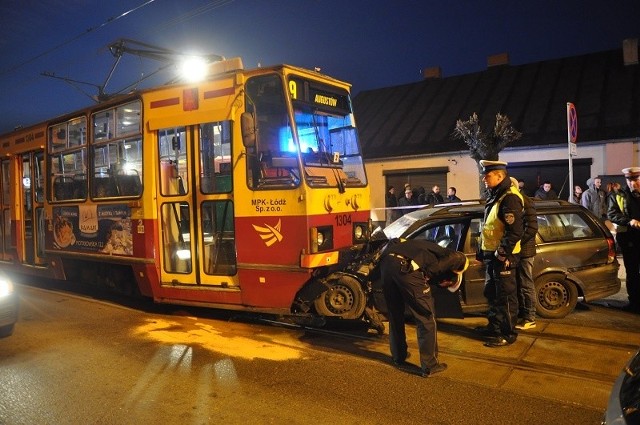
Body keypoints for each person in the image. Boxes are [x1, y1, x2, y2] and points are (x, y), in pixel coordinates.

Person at [379, 238, 469, 377]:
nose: (443, 285)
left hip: (387, 263)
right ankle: (430, 365)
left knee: (395, 313)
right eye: (447, 285)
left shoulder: (429, 248)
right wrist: (428, 274)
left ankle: (398, 356)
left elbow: (394, 242)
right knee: (426, 317)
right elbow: (458, 257)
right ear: (450, 277)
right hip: (406, 267)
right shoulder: (454, 259)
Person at [477, 160, 524, 347]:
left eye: (487, 176)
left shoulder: (509, 198)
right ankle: (494, 327)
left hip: (503, 257)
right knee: (492, 294)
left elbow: (515, 232)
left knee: (506, 297)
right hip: (492, 255)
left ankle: (508, 334)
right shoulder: (496, 195)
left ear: (499, 176)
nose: (483, 179)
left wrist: (502, 254)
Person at [607, 167, 640, 313]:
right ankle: (634, 302)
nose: (633, 184)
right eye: (630, 180)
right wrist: (630, 221)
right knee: (632, 272)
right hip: (629, 240)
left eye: (636, 180)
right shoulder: (618, 195)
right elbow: (612, 214)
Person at [510, 177, 538, 330]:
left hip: (525, 251)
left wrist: (517, 242)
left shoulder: (524, 201)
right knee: (520, 283)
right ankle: (524, 315)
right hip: (519, 249)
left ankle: (530, 317)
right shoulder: (517, 200)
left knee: (526, 284)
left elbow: (532, 227)